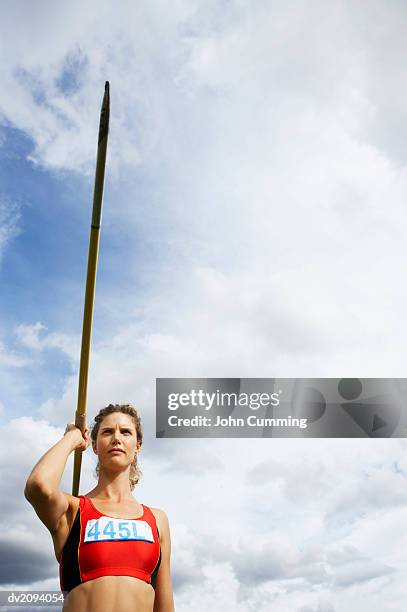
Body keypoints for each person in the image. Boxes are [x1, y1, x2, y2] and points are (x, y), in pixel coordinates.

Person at [24, 403, 175, 612]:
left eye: (125, 432)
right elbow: (38, 486)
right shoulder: (73, 510)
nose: (116, 438)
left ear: (138, 445)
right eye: (107, 432)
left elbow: (164, 606)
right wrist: (72, 438)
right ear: (94, 445)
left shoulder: (157, 520)